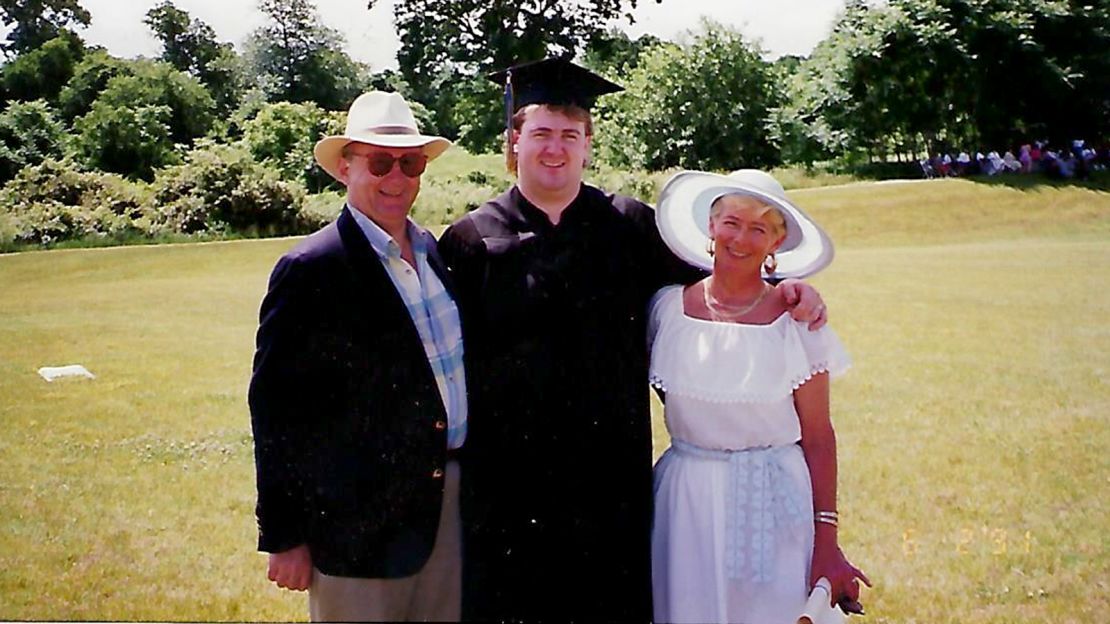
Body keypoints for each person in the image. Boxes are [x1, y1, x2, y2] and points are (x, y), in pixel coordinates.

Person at [437, 58, 828, 622]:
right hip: (507, 491)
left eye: (570, 135)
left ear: (588, 145)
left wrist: (785, 286)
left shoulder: (631, 228)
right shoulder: (471, 240)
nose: (555, 149)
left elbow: (718, 288)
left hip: (610, 485)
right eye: (541, 133)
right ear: (515, 140)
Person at [248, 91, 467, 622]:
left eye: (409, 162)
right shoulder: (311, 269)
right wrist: (285, 535)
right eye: (379, 162)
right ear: (345, 169)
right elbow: (276, 411)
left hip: (448, 509)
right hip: (358, 529)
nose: (396, 177)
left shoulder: (433, 251)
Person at [649, 169, 869, 623]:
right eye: (731, 222)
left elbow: (819, 437)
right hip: (685, 503)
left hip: (773, 503)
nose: (741, 239)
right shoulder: (667, 309)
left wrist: (826, 540)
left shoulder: (798, 323)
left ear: (777, 243)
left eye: (759, 229)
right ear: (710, 227)